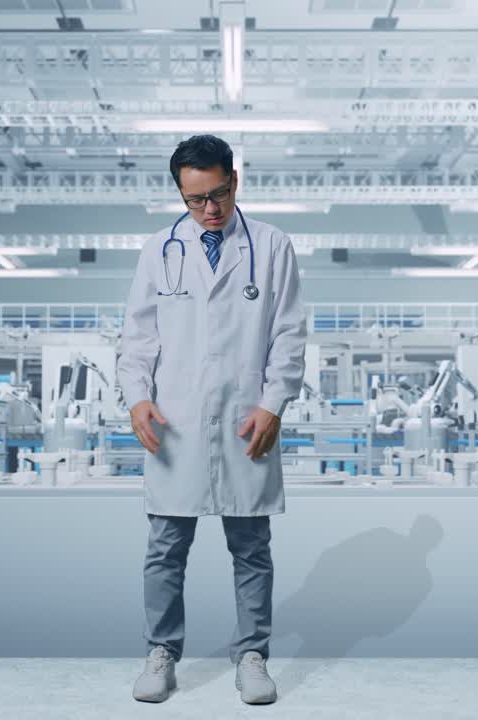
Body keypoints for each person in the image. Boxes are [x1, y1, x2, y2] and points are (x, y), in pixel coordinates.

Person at [117, 134, 307, 705]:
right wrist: (136, 398)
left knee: (251, 546)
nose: (209, 209)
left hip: (246, 418)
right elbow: (137, 338)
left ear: (234, 180)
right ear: (181, 193)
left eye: (218, 194)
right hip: (174, 421)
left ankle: (252, 655)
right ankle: (161, 654)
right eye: (195, 199)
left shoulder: (271, 246)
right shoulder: (160, 249)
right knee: (165, 547)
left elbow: (289, 334)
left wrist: (273, 403)